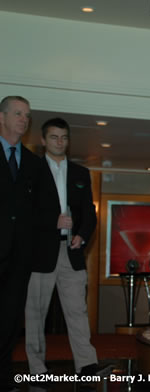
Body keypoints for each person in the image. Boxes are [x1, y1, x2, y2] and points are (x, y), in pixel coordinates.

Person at [24, 117, 99, 378]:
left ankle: (87, 365)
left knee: (77, 311)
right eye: (54, 137)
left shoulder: (81, 173)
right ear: (43, 140)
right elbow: (23, 213)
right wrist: (51, 222)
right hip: (40, 254)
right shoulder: (31, 170)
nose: (60, 142)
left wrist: (82, 234)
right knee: (35, 314)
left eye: (64, 137)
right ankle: (37, 368)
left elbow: (89, 213)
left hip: (72, 251)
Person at [0, 96, 42, 392]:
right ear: (1, 117)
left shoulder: (32, 163)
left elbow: (37, 211)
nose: (23, 120)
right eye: (17, 113)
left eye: (27, 115)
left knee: (10, 322)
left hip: (19, 259)